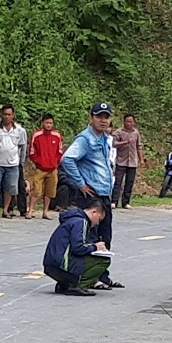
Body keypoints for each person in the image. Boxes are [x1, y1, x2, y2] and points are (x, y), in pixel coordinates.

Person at [61, 101, 123, 289]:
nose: (103, 120)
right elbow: (67, 159)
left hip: (103, 195)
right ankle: (89, 276)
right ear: (92, 118)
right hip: (90, 197)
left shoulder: (105, 138)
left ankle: (102, 275)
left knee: (105, 236)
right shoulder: (85, 139)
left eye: (106, 117)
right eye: (99, 116)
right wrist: (81, 184)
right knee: (90, 238)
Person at [42, 198, 110, 296]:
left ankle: (64, 284)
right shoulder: (81, 222)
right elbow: (78, 247)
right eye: (98, 219)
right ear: (94, 212)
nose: (97, 223)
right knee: (104, 260)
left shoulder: (72, 219)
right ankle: (76, 285)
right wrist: (95, 247)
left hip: (51, 264)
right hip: (61, 265)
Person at [28, 114, 63, 219]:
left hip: (52, 169)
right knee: (36, 190)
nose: (48, 125)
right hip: (40, 168)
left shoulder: (57, 136)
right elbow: (32, 151)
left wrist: (55, 162)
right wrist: (38, 161)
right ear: (42, 123)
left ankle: (46, 211)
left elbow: (60, 151)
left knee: (50, 191)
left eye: (50, 123)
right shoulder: (36, 135)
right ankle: (30, 210)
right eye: (47, 123)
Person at [112, 113, 143, 209]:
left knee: (129, 182)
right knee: (118, 182)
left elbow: (139, 146)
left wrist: (141, 159)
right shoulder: (118, 132)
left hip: (132, 161)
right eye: (127, 121)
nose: (129, 123)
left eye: (131, 121)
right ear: (124, 122)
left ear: (134, 122)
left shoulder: (136, 133)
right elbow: (113, 144)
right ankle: (114, 201)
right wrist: (125, 142)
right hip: (121, 160)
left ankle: (126, 202)